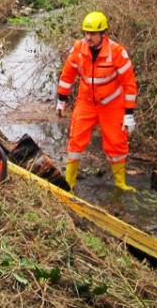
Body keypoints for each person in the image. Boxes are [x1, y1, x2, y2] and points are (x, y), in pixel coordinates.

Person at [55, 11, 138, 192]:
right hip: (86, 101)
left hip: (111, 103)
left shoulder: (117, 52)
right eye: (86, 32)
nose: (88, 37)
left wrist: (129, 114)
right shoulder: (78, 49)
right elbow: (67, 76)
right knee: (76, 140)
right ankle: (69, 183)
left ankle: (120, 183)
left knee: (116, 142)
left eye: (92, 34)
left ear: (103, 34)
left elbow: (129, 84)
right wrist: (61, 100)